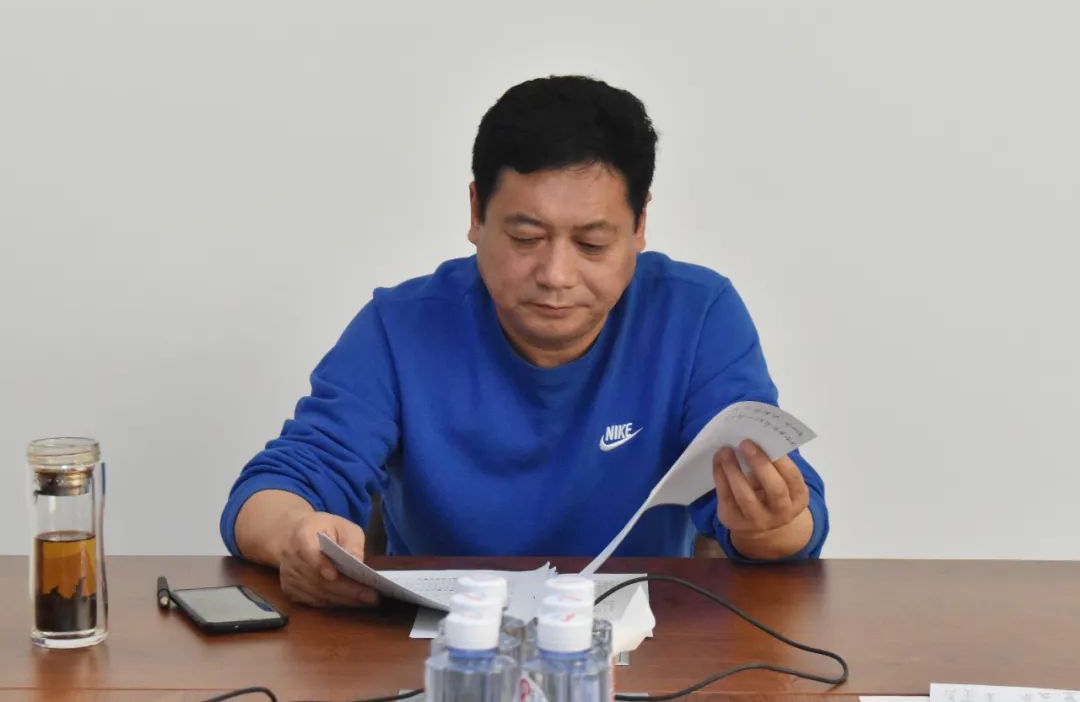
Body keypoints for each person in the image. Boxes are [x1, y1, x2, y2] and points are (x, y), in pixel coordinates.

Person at [220, 75, 829, 608]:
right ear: (476, 213)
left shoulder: (697, 317)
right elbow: (273, 489)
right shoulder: (399, 328)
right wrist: (296, 533)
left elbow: (790, 523)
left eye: (592, 244)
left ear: (640, 225)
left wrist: (768, 526)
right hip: (441, 653)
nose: (556, 275)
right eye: (526, 238)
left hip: (639, 650)